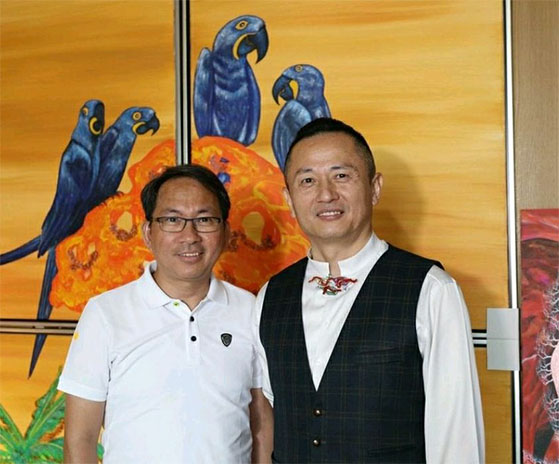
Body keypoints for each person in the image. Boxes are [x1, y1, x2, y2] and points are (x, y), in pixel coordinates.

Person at [255, 118, 484, 463]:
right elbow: (271, 415)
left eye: (341, 175)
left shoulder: (431, 289)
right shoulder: (270, 296)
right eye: (307, 180)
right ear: (289, 199)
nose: (326, 194)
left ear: (375, 188)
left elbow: (457, 437)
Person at [59, 164, 273, 463]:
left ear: (226, 232)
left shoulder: (250, 309)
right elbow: (79, 439)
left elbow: (261, 421)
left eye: (204, 219)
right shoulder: (105, 313)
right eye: (172, 220)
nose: (190, 236)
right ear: (148, 233)